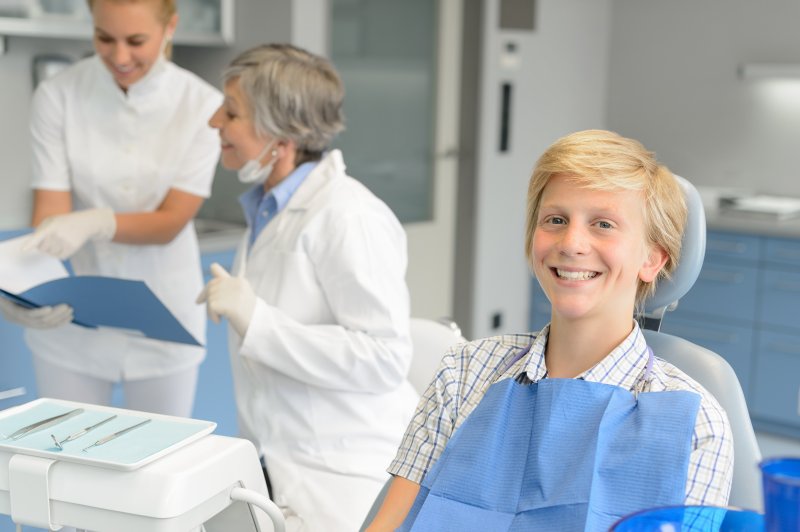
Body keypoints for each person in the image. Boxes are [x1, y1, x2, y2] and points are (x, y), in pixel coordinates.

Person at [366, 130, 734, 531]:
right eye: (555, 220)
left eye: (603, 224)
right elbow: (388, 525)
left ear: (652, 259)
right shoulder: (465, 372)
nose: (572, 242)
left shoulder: (696, 424)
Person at [196, 43, 418, 531]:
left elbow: (383, 357)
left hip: (345, 477)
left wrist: (257, 320)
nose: (215, 121)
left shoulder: (348, 215)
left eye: (231, 112)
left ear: (282, 134)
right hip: (279, 467)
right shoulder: (268, 210)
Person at [0, 0, 222, 417]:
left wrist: (98, 222)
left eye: (136, 41)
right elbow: (48, 213)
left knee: (161, 463)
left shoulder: (202, 105)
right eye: (104, 38)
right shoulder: (58, 95)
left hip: (165, 317)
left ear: (170, 26)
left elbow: (171, 221)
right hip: (73, 319)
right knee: (65, 462)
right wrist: (25, 287)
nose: (120, 57)